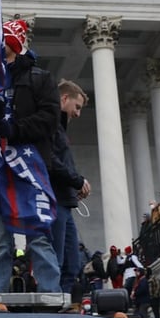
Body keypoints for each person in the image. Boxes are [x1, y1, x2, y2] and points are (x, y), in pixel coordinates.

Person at [0, 19, 62, 294]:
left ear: (11, 44)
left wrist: (15, 129)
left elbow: (50, 119)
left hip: (30, 166)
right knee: (0, 240)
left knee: (38, 235)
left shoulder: (40, 77)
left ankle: (51, 293)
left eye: (1, 41)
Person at [49, 79, 92, 296]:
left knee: (72, 263)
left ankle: (61, 302)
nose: (78, 113)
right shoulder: (50, 125)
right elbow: (52, 162)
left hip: (65, 200)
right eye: (77, 107)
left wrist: (75, 186)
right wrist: (77, 181)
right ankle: (51, 305)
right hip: (55, 201)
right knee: (56, 259)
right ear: (64, 99)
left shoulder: (60, 128)